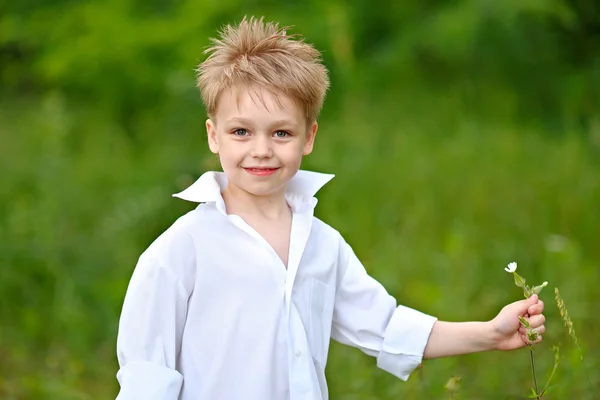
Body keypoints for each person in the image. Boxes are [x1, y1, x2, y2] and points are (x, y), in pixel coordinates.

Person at [115, 16, 546, 400]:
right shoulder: (181, 249)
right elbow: (147, 374)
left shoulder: (322, 244)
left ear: (309, 137)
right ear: (214, 136)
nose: (261, 150)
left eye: (281, 133)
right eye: (241, 131)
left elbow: (385, 327)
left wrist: (490, 333)